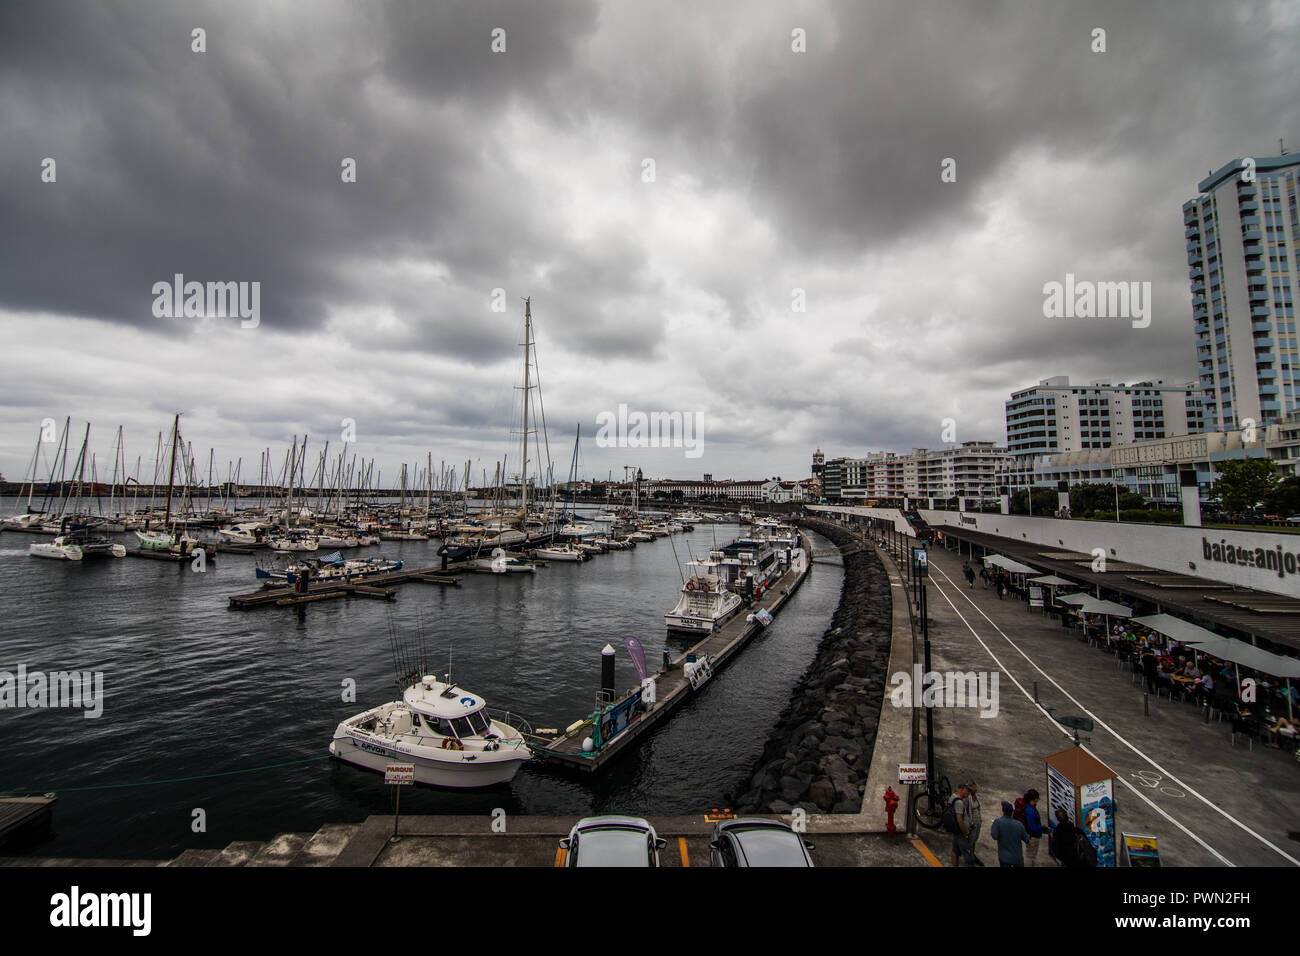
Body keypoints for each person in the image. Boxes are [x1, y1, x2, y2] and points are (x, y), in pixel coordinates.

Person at [948, 783, 982, 867]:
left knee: (955, 851)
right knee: (969, 858)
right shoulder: (959, 803)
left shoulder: (953, 797)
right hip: (961, 833)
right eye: (967, 791)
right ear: (962, 789)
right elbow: (960, 820)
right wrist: (966, 834)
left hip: (956, 831)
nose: (968, 793)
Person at [990, 801, 1030, 867]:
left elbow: (994, 836)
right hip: (1017, 858)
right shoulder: (1019, 824)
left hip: (1004, 858)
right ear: (1012, 812)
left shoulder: (998, 822)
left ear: (1003, 811)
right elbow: (1027, 839)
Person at [1021, 789, 1046, 866]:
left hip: (1032, 835)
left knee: (1032, 855)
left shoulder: (1031, 807)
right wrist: (1041, 827)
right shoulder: (1030, 810)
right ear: (1035, 799)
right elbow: (1031, 826)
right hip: (1033, 836)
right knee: (1030, 856)